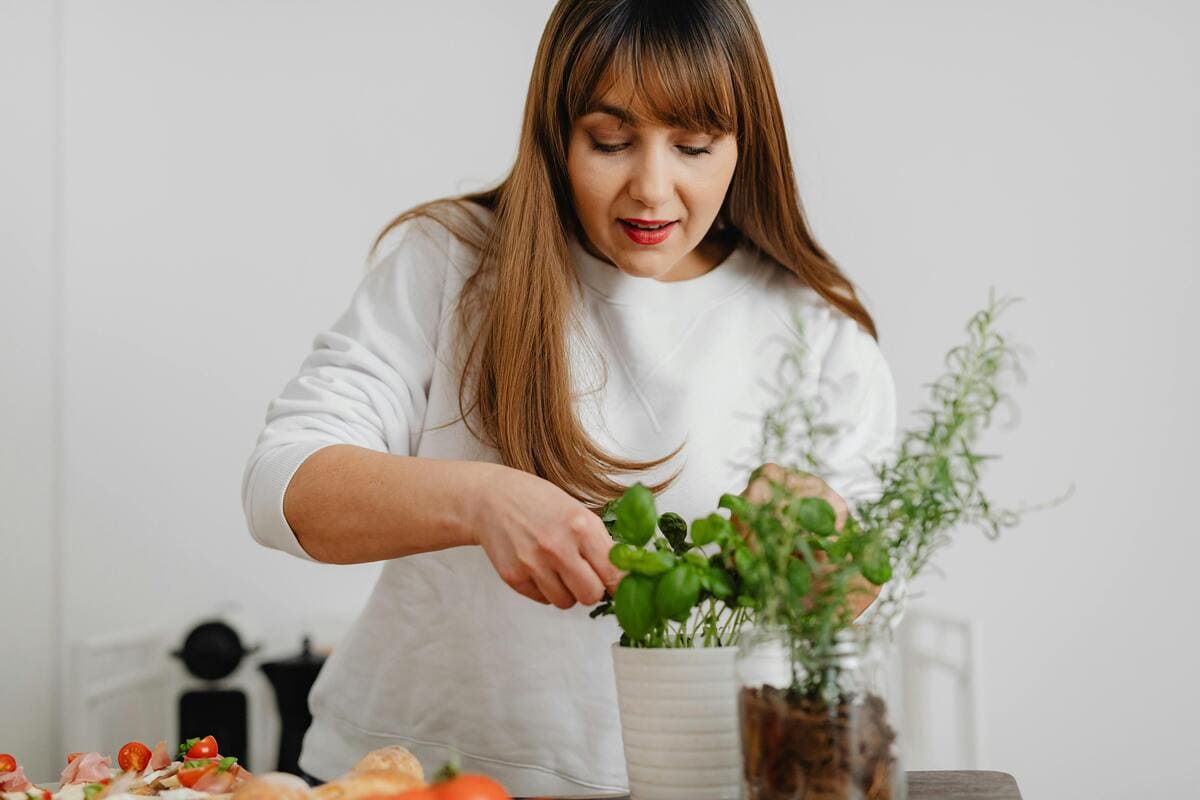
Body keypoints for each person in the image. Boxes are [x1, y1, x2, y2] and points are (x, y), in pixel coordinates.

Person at [241, 0, 897, 795]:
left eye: (693, 145)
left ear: (744, 142)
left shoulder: (814, 326)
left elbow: (868, 585)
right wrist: (483, 501)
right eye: (611, 140)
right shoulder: (449, 263)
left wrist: (823, 540)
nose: (653, 188)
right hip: (408, 772)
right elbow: (283, 485)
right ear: (557, 134)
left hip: (695, 779)